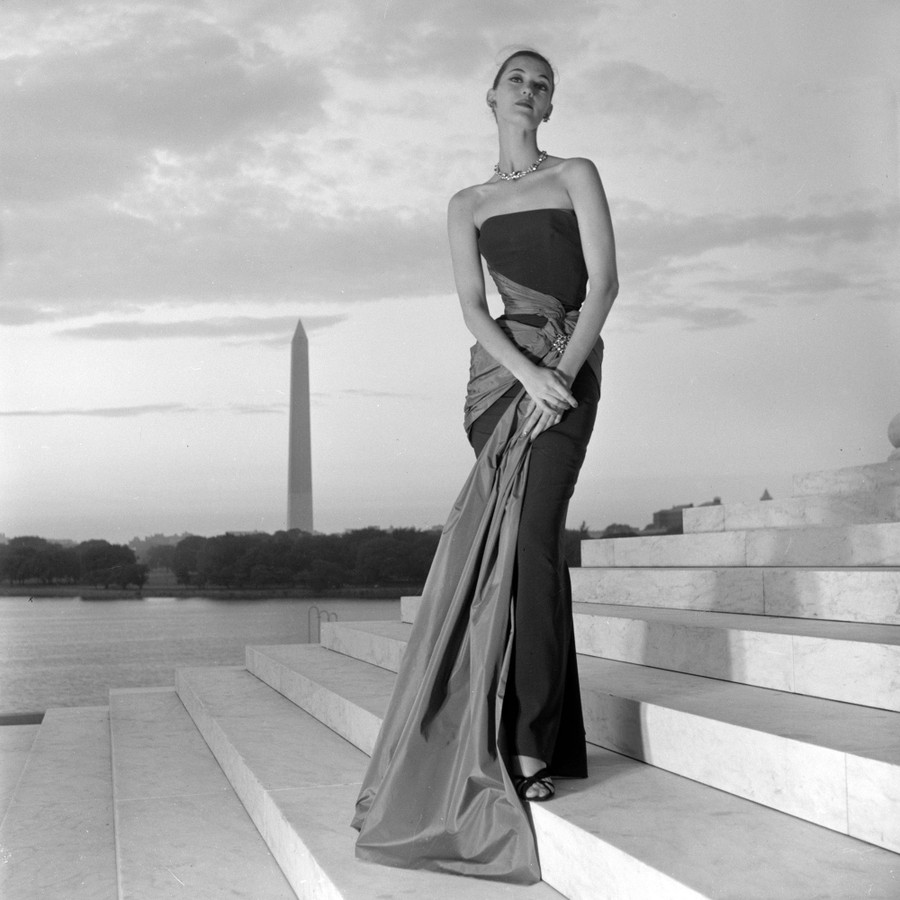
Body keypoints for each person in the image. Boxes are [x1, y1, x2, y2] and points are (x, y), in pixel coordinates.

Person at [352, 48, 618, 885]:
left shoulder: (577, 173)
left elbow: (605, 284)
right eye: (518, 80)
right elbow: (473, 306)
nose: (531, 90)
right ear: (491, 97)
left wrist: (561, 375)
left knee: (535, 543)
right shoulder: (465, 203)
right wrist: (526, 373)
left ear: (551, 102)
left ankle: (532, 737)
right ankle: (537, 735)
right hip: (500, 384)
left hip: (568, 371)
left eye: (543, 82)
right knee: (511, 557)